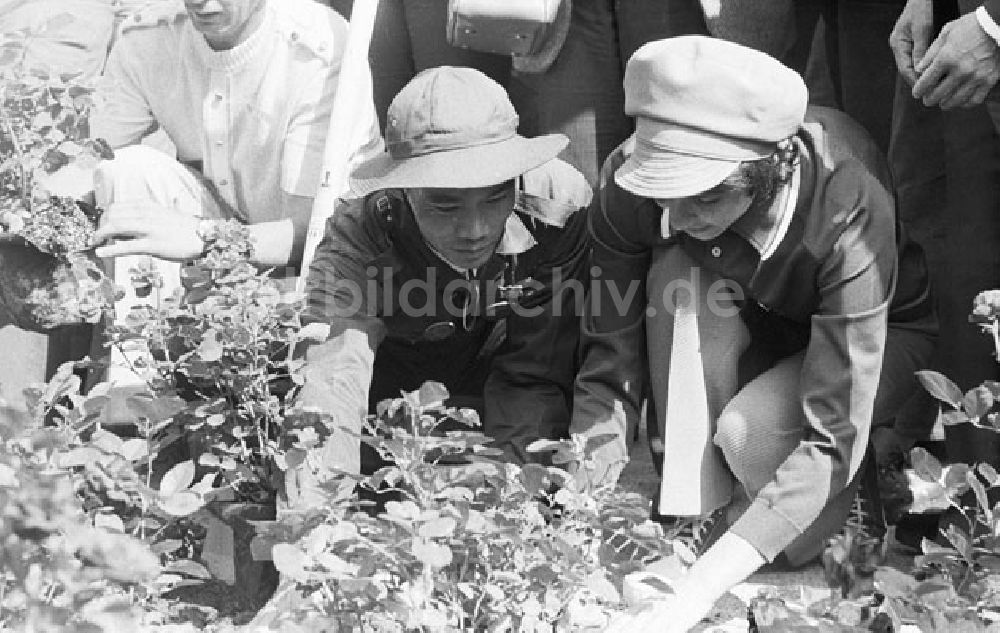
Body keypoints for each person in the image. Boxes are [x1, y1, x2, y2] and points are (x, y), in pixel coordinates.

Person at [571, 37, 936, 631]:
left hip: (874, 340)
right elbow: (609, 361)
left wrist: (697, 594)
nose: (681, 213)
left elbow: (831, 432)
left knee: (751, 434)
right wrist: (578, 503)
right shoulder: (626, 183)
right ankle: (696, 506)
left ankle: (854, 502)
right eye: (664, 188)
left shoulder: (846, 198)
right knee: (676, 275)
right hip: (752, 316)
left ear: (778, 164)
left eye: (709, 192)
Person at [284, 66, 592, 507]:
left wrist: (509, 493)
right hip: (392, 411)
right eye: (444, 205)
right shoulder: (359, 234)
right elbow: (336, 372)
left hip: (497, 403)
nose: (475, 229)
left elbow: (537, 373)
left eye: (495, 197)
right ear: (402, 189)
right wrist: (322, 505)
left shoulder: (559, 207)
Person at [88, 0, 381, 281]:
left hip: (325, 262)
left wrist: (204, 237)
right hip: (221, 228)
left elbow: (313, 233)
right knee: (128, 169)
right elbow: (89, 162)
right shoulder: (147, 39)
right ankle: (139, 328)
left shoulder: (318, 50)